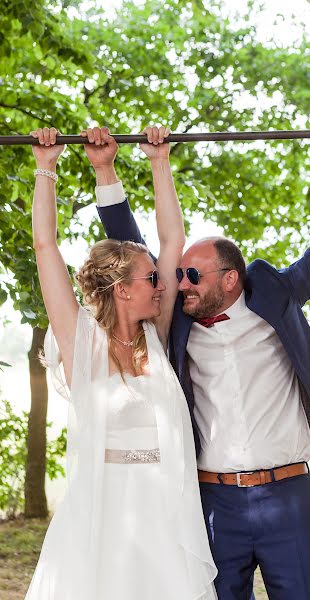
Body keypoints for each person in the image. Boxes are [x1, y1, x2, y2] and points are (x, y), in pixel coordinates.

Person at [95, 119, 310, 600]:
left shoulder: (279, 296)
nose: (179, 282)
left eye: (191, 274)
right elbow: (134, 251)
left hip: (290, 498)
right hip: (212, 504)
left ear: (230, 279)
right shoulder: (176, 323)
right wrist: (106, 173)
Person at [25, 125, 217, 600]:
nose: (163, 283)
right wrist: (45, 168)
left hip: (165, 516)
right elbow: (45, 247)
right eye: (152, 277)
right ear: (122, 289)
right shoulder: (78, 341)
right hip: (103, 518)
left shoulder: (157, 332)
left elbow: (173, 238)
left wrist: (159, 160)